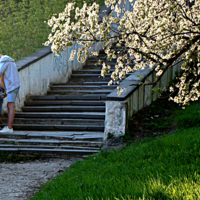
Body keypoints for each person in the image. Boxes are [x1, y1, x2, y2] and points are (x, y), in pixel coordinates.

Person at [0, 53, 20, 133]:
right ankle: (9, 127)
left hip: (12, 86)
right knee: (10, 105)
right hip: (15, 85)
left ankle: (9, 127)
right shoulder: (10, 61)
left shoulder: (4, 61)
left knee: (11, 105)